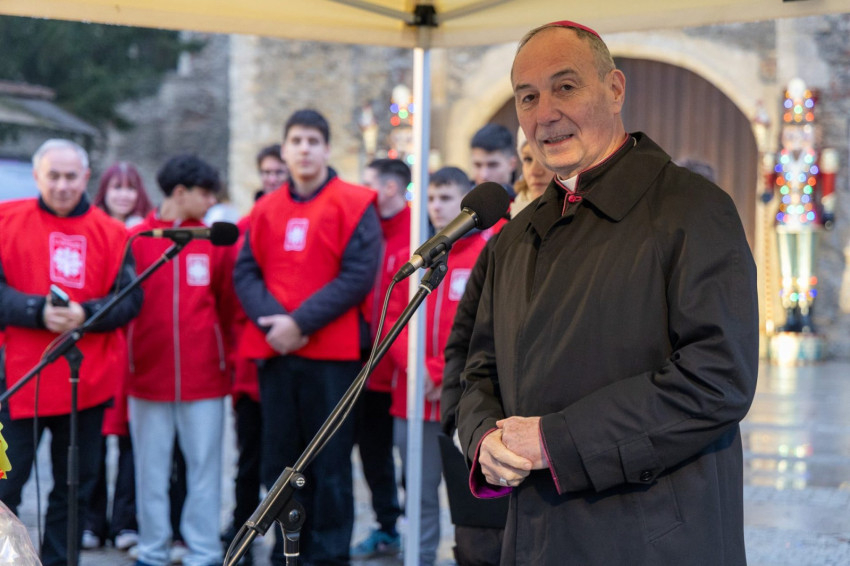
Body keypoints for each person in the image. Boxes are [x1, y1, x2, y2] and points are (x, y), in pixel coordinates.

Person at [456, 20, 758, 565]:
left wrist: (557, 441)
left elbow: (718, 378)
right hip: (536, 536)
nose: (545, 113)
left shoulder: (692, 209)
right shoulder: (516, 237)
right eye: (527, 97)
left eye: (565, 87)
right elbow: (478, 369)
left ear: (615, 89)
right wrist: (483, 439)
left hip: (652, 538)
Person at [234, 109, 381, 566]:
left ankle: (329, 555)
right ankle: (286, 552)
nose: (304, 149)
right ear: (284, 149)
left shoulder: (354, 203)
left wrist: (298, 324)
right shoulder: (265, 208)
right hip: (277, 353)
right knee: (280, 461)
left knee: (330, 464)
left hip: (332, 357)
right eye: (296, 140)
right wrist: (275, 324)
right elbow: (245, 272)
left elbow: (358, 275)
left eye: (313, 141)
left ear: (327, 149)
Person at [0, 139, 143, 566]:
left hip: (86, 383)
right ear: (37, 176)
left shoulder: (114, 233)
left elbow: (130, 298)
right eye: (54, 176)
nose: (62, 185)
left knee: (73, 490)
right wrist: (36, 310)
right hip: (16, 380)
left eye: (70, 177)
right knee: (5, 486)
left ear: (86, 177)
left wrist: (87, 314)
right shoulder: (5, 221)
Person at [439, 127, 553, 566]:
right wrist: (462, 426)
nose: (537, 169)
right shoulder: (500, 240)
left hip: (548, 447)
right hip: (488, 438)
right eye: (528, 157)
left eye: (544, 157)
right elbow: (464, 342)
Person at [127, 154, 236, 566]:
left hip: (205, 376)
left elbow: (227, 306)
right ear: (179, 192)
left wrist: (225, 360)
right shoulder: (136, 239)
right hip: (147, 375)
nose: (211, 201)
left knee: (205, 470)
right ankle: (152, 550)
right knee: (150, 472)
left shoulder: (215, 241)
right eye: (205, 193)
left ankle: (203, 551)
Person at [388, 166, 496, 566]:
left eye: (446, 198)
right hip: (412, 399)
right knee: (417, 494)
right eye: (431, 198)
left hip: (462, 397)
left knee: (472, 498)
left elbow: (483, 327)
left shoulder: (487, 253)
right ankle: (417, 558)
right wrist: (414, 368)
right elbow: (393, 320)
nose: (436, 206)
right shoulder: (415, 257)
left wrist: (435, 372)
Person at [221, 143, 289, 565]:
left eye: (279, 171)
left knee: (286, 463)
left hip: (293, 359)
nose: (273, 178)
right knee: (248, 459)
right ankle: (241, 533)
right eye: (267, 171)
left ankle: (285, 539)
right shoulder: (245, 227)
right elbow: (230, 296)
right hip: (250, 362)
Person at [83, 161, 154, 552]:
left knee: (131, 437)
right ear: (104, 192)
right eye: (116, 188)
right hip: (100, 343)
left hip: (137, 345)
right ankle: (92, 520)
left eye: (130, 188)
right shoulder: (92, 230)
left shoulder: (146, 233)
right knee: (92, 434)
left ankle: (126, 519)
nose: (124, 195)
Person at [349, 158, 409, 559]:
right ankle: (387, 527)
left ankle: (415, 527)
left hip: (403, 370)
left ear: (389, 188)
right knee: (372, 453)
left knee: (410, 455)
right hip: (365, 368)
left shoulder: (420, 229)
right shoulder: (364, 226)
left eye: (367, 182)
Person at [469, 123, 517, 196]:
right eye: (478, 165)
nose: (484, 175)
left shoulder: (528, 200)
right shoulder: (458, 199)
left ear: (512, 164)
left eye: (492, 165)